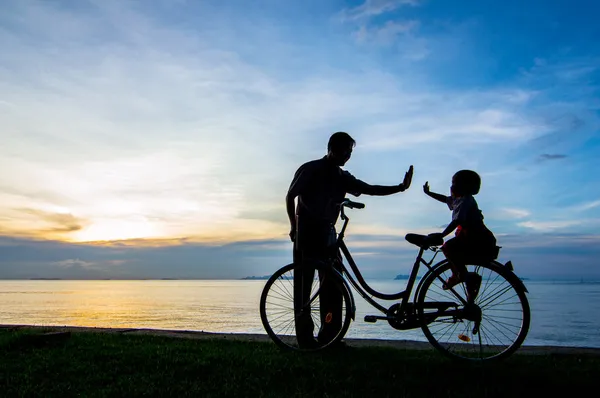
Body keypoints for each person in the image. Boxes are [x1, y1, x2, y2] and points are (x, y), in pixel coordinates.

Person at [286, 131, 413, 348]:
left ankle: (330, 337)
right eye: (345, 151)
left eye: (350, 152)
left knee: (334, 287)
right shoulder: (310, 169)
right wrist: (293, 226)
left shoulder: (342, 177)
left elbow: (369, 189)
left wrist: (400, 188)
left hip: (328, 233)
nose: (347, 156)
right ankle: (305, 339)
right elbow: (291, 196)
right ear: (332, 148)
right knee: (304, 288)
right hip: (306, 233)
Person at [423, 170, 497, 296]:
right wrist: (429, 193)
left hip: (475, 237)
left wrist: (442, 235)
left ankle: (460, 275)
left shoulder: (465, 201)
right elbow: (445, 199)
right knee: (453, 252)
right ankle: (464, 276)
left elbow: (457, 221)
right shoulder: (459, 199)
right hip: (470, 236)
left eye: (454, 183)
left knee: (448, 247)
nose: (452, 186)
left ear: (464, 186)